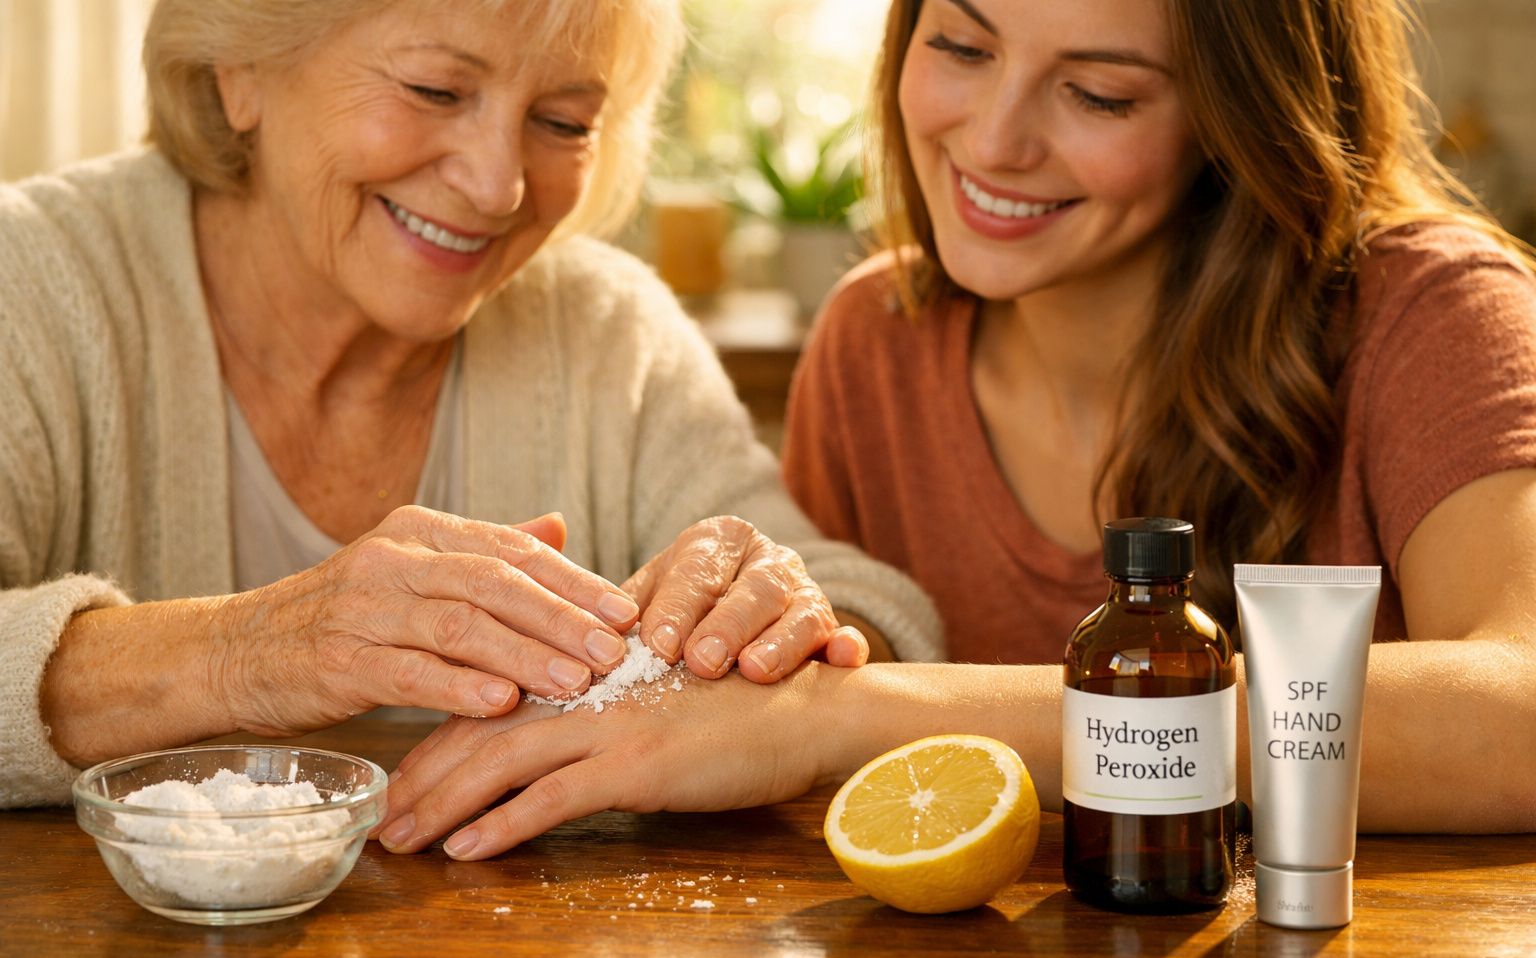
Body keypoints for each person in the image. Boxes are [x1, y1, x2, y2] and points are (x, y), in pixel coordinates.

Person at [376, 0, 1536, 860]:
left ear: (1240, 123)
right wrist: (775, 648)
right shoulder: (874, 339)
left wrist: (850, 720)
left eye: (1100, 94)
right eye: (963, 48)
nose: (992, 140)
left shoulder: (1429, 313)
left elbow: (1522, 712)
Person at [0, 0, 945, 809]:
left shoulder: (609, 329)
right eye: (435, 91)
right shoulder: (31, 281)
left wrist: (778, 619)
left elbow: (865, 611)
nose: (500, 187)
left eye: (565, 121)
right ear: (241, 67)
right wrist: (254, 651)